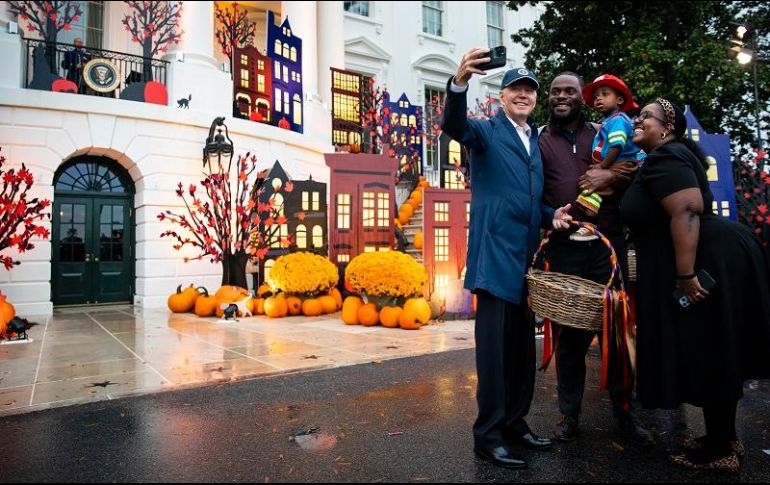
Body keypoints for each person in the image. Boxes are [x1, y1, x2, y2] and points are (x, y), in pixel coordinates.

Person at [619, 98, 770, 472]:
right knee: (714, 346)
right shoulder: (667, 157)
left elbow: (686, 209)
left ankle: (721, 450)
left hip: (704, 259)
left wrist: (685, 275)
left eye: (645, 117)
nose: (637, 120)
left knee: (709, 348)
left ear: (666, 128)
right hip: (712, 253)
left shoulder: (665, 157)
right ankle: (723, 437)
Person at [440, 49, 572, 469]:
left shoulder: (536, 138)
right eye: (515, 87)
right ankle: (488, 434)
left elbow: (529, 196)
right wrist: (459, 82)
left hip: (526, 261)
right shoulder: (485, 131)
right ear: (501, 95)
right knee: (494, 354)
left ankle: (516, 423)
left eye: (529, 89)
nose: (523, 94)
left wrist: (554, 215)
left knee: (520, 351)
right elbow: (452, 126)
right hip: (495, 257)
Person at [538, 72, 653, 446]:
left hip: (608, 246)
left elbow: (634, 167)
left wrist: (608, 175)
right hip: (564, 247)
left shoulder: (603, 130)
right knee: (569, 336)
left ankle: (625, 415)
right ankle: (569, 416)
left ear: (581, 97)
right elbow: (532, 193)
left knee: (616, 333)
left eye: (569, 91)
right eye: (555, 91)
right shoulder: (538, 141)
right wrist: (549, 213)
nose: (561, 96)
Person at [573, 74, 643, 239]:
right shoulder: (607, 121)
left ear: (619, 100)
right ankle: (590, 222)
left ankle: (590, 223)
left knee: (595, 186)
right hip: (613, 163)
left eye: (605, 94)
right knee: (591, 187)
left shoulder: (618, 120)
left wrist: (603, 166)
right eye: (596, 96)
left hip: (621, 163)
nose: (599, 99)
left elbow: (617, 145)